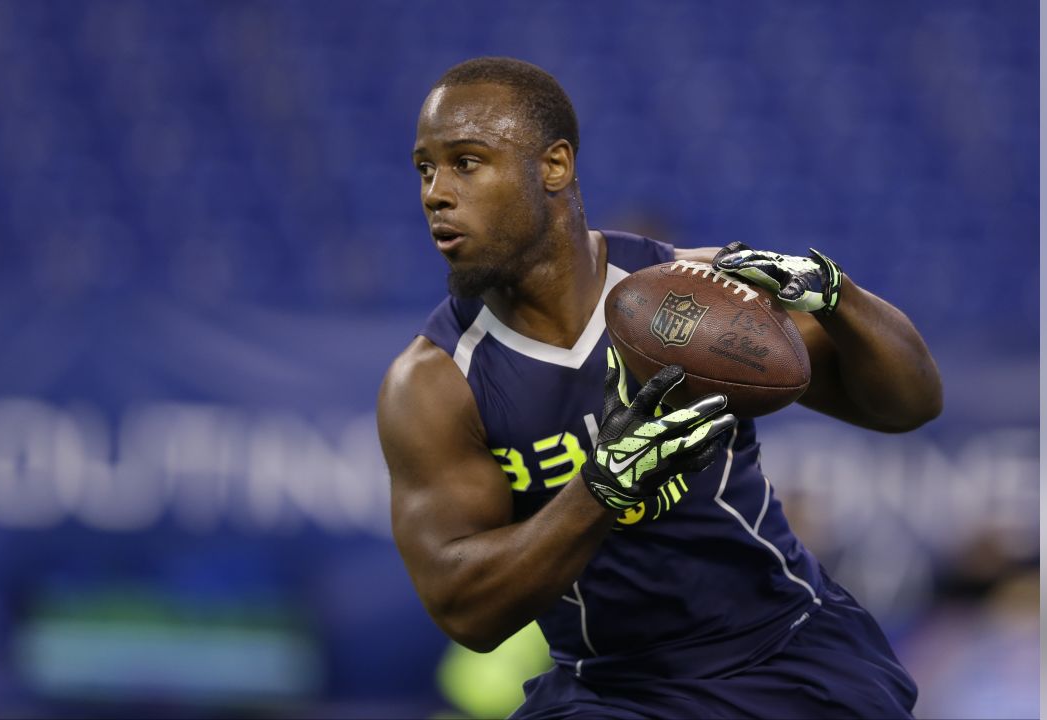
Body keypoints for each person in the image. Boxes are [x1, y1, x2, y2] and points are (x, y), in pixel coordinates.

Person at [377, 57, 942, 719]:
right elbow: (465, 610)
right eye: (425, 168)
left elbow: (911, 405)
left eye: (466, 162)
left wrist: (840, 298)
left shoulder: (691, 292)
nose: (436, 193)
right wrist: (601, 490)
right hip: (615, 690)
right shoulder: (435, 382)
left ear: (554, 166)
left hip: (786, 649)